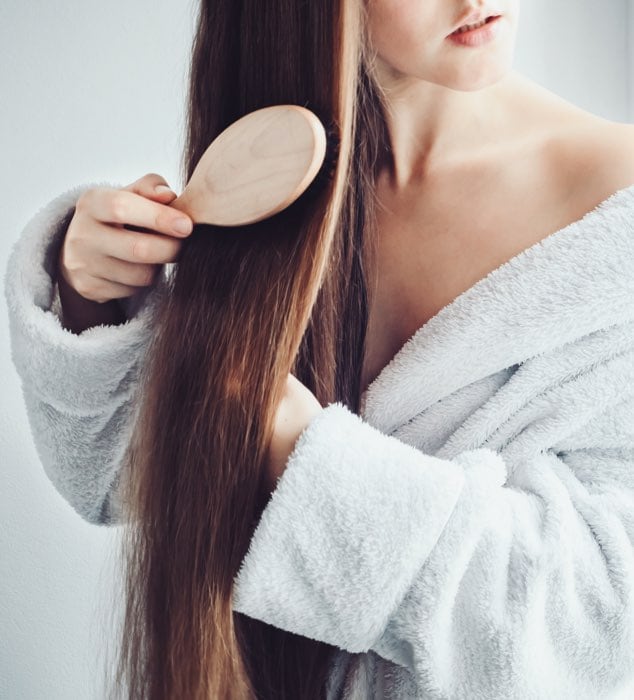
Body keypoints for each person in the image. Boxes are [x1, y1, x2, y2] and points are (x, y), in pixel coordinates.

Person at [5, 0, 634, 698]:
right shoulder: (265, 191)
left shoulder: (616, 220)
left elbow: (606, 626)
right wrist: (92, 298)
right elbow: (116, 485)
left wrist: (303, 452)